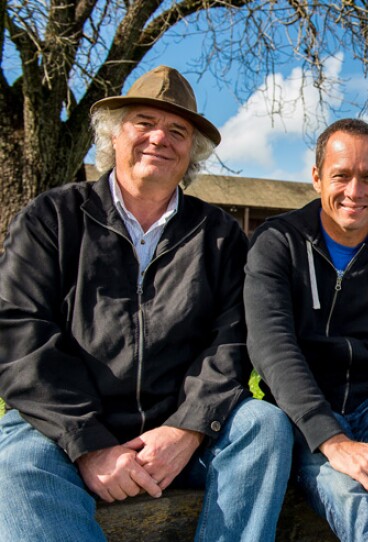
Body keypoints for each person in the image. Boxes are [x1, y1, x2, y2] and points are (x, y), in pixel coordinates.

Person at [0, 65, 293, 541]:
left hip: (177, 433)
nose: (160, 138)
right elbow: (19, 334)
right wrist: (90, 445)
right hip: (65, 430)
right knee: (13, 463)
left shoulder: (219, 237)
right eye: (143, 123)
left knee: (264, 427)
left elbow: (235, 339)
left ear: (191, 152)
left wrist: (188, 430)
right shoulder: (52, 218)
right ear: (115, 135)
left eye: (177, 131)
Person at [244, 118, 368, 541]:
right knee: (359, 505)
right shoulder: (278, 243)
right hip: (304, 415)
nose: (355, 191)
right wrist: (332, 441)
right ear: (316, 177)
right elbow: (272, 348)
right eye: (341, 176)